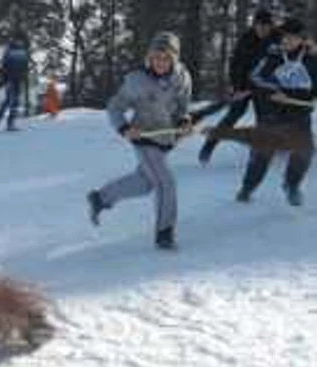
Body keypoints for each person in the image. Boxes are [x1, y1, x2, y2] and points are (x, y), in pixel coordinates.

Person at [87, 32, 192, 250]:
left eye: (166, 58)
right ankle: (165, 232)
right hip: (143, 138)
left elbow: (183, 105)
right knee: (165, 183)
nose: (160, 63)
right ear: (149, 58)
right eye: (156, 58)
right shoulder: (136, 81)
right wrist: (125, 128)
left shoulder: (182, 77)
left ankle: (101, 198)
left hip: (165, 138)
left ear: (174, 59)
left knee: (145, 184)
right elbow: (114, 107)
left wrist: (183, 120)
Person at [235, 17, 317, 206]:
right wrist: (274, 91)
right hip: (272, 115)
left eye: (291, 37)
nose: (286, 41)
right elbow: (255, 78)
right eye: (284, 37)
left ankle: (291, 185)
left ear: (302, 39)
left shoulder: (312, 60)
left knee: (305, 152)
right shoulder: (273, 56)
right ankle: (248, 187)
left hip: (300, 116)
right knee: (261, 156)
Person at [198, 8, 280, 165]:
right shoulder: (246, 38)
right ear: (254, 25)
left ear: (271, 26)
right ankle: (209, 145)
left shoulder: (278, 39)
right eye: (259, 25)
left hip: (264, 87)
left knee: (264, 119)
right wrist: (237, 87)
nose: (262, 29)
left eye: (266, 26)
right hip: (243, 85)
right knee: (233, 115)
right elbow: (235, 64)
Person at [0, 36, 29, 131]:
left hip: (13, 80)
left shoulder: (12, 53)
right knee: (12, 102)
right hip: (12, 80)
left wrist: (2, 80)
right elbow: (6, 69)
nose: (20, 43)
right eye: (18, 42)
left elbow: (5, 69)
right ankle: (6, 123)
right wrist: (3, 80)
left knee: (9, 102)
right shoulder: (17, 53)